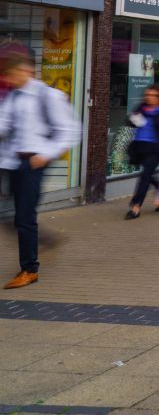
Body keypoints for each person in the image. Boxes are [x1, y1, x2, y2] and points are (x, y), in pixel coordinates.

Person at [0, 45, 80, 289]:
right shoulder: (12, 97)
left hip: (33, 163)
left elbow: (71, 130)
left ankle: (29, 269)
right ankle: (44, 241)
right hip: (10, 161)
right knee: (10, 215)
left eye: (11, 74)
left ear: (25, 70)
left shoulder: (48, 96)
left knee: (24, 218)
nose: (8, 80)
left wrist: (46, 155)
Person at [125, 84, 159, 219]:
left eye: (152, 95)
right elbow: (130, 122)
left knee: (145, 176)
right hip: (139, 147)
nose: (148, 98)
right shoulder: (141, 107)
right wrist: (133, 119)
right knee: (148, 174)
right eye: (147, 95)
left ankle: (135, 207)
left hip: (155, 149)